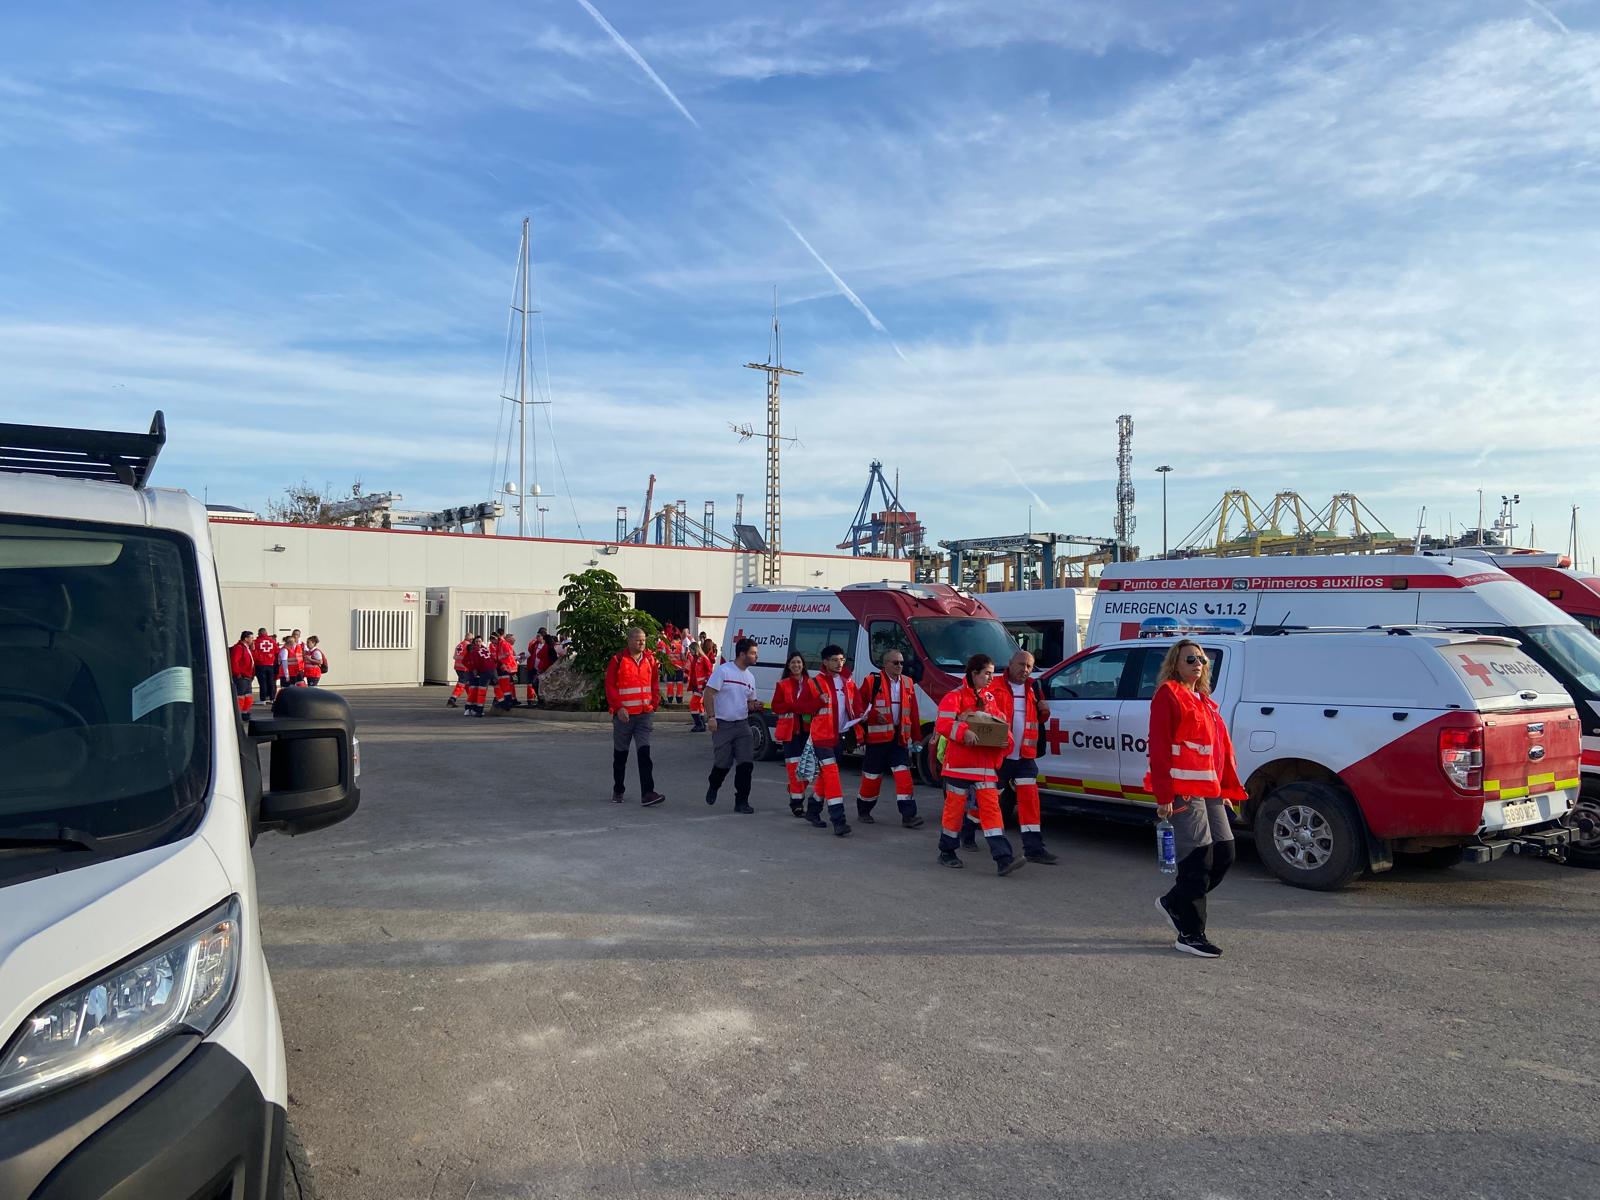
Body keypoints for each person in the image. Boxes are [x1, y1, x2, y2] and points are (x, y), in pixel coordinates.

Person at [1148, 640, 1246, 958]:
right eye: (1190, 658)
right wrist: (1164, 795)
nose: (1198, 663)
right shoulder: (1169, 695)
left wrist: (1224, 792)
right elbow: (1160, 749)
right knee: (1198, 860)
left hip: (1209, 790)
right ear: (1176, 663)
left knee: (1225, 853)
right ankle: (1190, 932)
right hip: (1181, 790)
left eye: (1202, 658)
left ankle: (1174, 901)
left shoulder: (1205, 701)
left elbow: (1216, 754)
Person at [935, 654, 1023, 876]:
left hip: (984, 767)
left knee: (992, 812)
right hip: (959, 766)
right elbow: (944, 725)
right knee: (954, 812)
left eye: (992, 673)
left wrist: (1006, 742)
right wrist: (964, 732)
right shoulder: (954, 697)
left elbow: (1002, 725)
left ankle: (1003, 859)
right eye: (987, 673)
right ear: (973, 673)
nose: (991, 678)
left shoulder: (990, 699)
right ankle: (947, 852)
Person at [987, 649, 1059, 864]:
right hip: (1000, 756)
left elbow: (1037, 720)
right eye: (1021, 664)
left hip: (1025, 757)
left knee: (1030, 801)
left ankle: (1034, 849)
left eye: (1029, 666)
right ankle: (967, 830)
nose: (1025, 669)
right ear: (1010, 664)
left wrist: (1044, 711)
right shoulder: (994, 686)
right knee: (989, 801)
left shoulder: (1034, 688)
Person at [793, 644, 860, 836]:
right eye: (834, 660)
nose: (839, 664)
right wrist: (818, 701)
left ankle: (813, 811)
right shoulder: (815, 683)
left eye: (842, 660)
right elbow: (801, 708)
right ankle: (838, 820)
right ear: (825, 662)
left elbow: (856, 705)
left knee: (825, 776)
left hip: (840, 736)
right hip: (821, 737)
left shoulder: (848, 682)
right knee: (832, 775)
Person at [854, 649, 923, 829]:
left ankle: (909, 816)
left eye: (901, 663)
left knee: (904, 777)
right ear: (885, 664)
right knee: (872, 777)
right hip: (877, 740)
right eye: (896, 663)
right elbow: (858, 705)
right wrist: (874, 715)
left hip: (899, 739)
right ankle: (864, 810)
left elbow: (913, 713)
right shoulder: (872, 681)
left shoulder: (908, 683)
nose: (900, 666)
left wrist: (916, 738)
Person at [605, 626, 665, 806]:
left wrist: (654, 703)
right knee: (620, 756)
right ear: (629, 641)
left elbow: (654, 683)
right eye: (638, 640)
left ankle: (648, 793)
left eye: (644, 640)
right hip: (624, 717)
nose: (642, 643)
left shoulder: (650, 660)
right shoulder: (618, 660)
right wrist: (618, 707)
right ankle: (618, 789)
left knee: (644, 754)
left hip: (644, 715)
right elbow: (610, 686)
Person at [704, 638, 762, 812]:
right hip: (723, 725)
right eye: (753, 653)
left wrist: (754, 705)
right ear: (742, 654)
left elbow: (750, 702)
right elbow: (708, 694)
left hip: (742, 725)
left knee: (746, 763)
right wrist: (711, 717)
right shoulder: (724, 671)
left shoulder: (750, 677)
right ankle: (714, 785)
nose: (756, 656)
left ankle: (741, 801)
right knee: (723, 763)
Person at [771, 651, 814, 818]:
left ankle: (794, 788)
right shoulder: (783, 685)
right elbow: (776, 707)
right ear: (789, 666)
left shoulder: (811, 683)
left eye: (799, 662)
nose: (796, 665)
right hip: (790, 732)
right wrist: (792, 707)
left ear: (803, 665)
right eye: (793, 663)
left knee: (810, 769)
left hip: (808, 731)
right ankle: (797, 804)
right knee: (794, 769)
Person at [463, 633, 497, 717]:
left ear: (482, 642)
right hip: (474, 674)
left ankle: (474, 709)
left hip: (482, 673)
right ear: (474, 642)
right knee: (473, 691)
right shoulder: (472, 650)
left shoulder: (484, 649)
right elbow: (465, 661)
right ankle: (468, 708)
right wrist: (472, 668)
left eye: (480, 641)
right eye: (477, 641)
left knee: (478, 692)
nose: (478, 643)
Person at [685, 639, 713, 732]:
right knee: (699, 706)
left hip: (701, 686)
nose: (690, 652)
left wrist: (705, 682)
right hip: (695, 686)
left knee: (693, 704)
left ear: (695, 649)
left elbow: (709, 672)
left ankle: (699, 724)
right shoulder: (695, 659)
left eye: (691, 650)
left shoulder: (703, 659)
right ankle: (701, 724)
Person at [230, 631, 256, 716]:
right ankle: (239, 714)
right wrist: (237, 673)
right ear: (246, 638)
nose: (253, 639)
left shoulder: (247, 648)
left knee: (248, 696)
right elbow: (234, 661)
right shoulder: (239, 648)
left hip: (248, 676)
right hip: (242, 677)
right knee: (240, 696)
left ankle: (245, 713)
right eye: (251, 638)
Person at [251, 627, 279, 702]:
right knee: (271, 682)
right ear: (266, 633)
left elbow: (253, 652)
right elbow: (277, 652)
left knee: (262, 682)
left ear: (259, 633)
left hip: (260, 665)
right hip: (271, 665)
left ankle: (263, 699)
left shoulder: (256, 642)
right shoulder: (272, 641)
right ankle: (272, 698)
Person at [447, 634, 471, 707]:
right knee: (462, 684)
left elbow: (454, 657)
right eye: (472, 639)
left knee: (467, 683)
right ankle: (452, 698)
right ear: (470, 639)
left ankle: (472, 698)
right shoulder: (468, 645)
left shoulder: (459, 645)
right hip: (464, 668)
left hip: (457, 667)